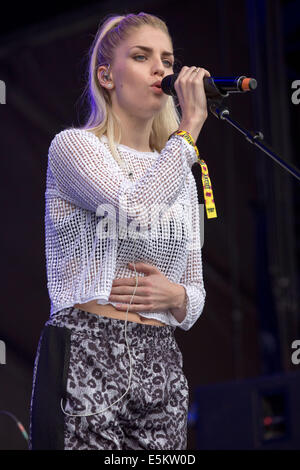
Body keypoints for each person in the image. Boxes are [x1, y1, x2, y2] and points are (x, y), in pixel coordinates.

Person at [29, 12, 210, 451]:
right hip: (88, 348)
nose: (161, 70)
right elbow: (132, 210)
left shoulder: (181, 173)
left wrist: (178, 298)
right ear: (106, 75)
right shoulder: (75, 147)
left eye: (167, 60)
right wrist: (188, 131)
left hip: (160, 358)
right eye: (142, 56)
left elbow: (196, 289)